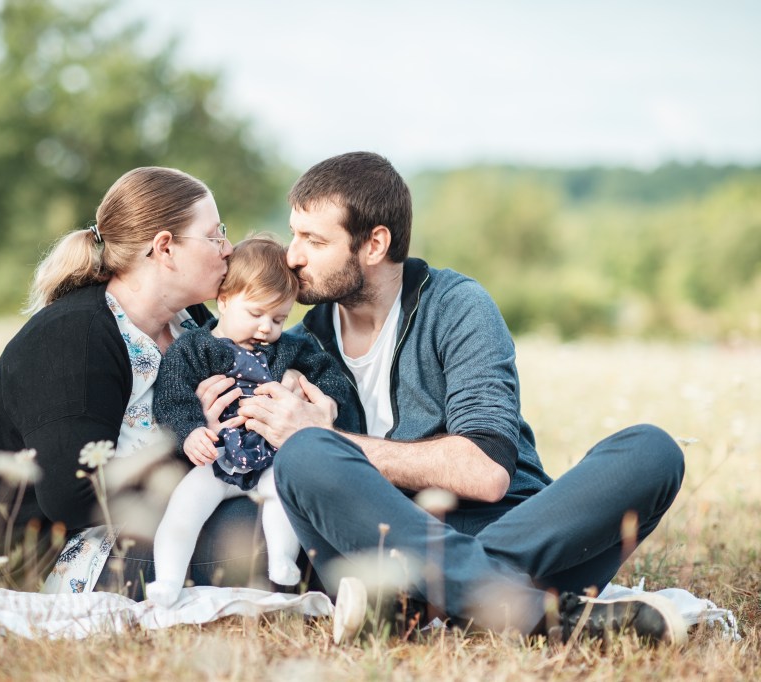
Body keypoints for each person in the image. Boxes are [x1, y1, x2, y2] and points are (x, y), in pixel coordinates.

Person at [200, 152, 687, 644]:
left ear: (375, 244)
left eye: (315, 240)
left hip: (509, 529)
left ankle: (424, 603)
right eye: (294, 234)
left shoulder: (457, 307)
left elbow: (488, 471)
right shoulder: (299, 343)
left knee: (652, 451)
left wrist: (328, 436)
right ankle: (537, 612)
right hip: (388, 545)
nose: (293, 255)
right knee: (303, 457)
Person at [0, 166, 264, 596]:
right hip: (71, 557)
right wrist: (195, 444)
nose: (228, 249)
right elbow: (73, 498)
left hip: (179, 511)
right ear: (165, 248)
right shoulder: (74, 335)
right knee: (260, 536)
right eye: (215, 235)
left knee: (294, 505)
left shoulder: (191, 324)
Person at [147, 236, 361, 606]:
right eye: (256, 314)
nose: (266, 328)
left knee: (283, 495)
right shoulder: (194, 349)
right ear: (225, 300)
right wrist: (190, 432)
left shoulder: (292, 348)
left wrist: (322, 400)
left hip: (272, 457)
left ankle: (280, 562)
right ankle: (167, 579)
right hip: (218, 460)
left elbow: (332, 381)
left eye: (279, 318)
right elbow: (172, 398)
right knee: (184, 508)